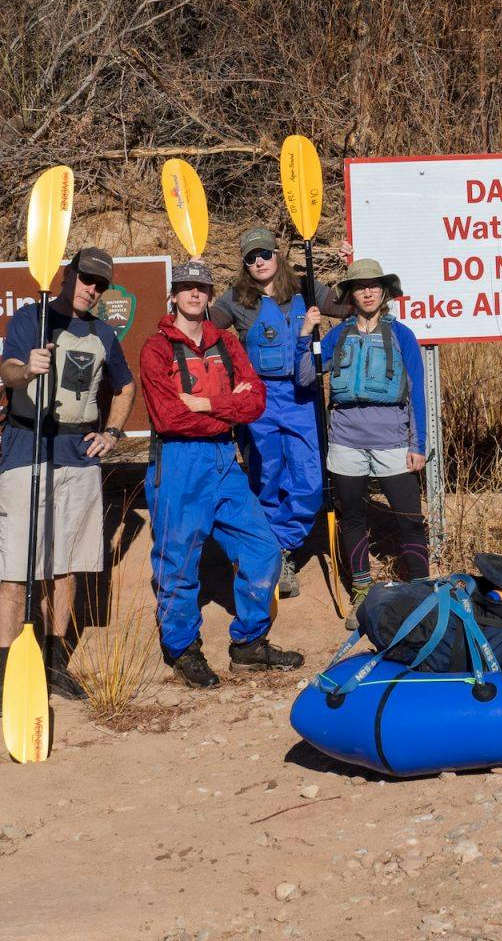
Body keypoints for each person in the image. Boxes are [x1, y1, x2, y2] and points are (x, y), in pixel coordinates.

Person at [0, 247, 136, 720]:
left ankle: (54, 663)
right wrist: (27, 369)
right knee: (16, 569)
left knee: (66, 566)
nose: (94, 289)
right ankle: (8, 676)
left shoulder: (104, 333)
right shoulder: (32, 318)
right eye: (87, 279)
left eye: (101, 284)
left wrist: (111, 432)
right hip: (27, 450)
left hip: (77, 455)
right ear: (69, 277)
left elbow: (125, 385)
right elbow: (6, 371)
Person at [140, 259, 302, 689]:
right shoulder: (156, 349)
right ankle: (182, 649)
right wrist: (228, 408)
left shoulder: (227, 344)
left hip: (224, 461)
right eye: (186, 287)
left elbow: (256, 403)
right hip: (177, 463)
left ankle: (249, 646)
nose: (194, 294)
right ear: (173, 295)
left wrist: (209, 405)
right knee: (178, 560)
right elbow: (169, 417)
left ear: (211, 296)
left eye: (202, 287)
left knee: (263, 547)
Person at [211, 228, 350, 597]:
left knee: (309, 478)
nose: (258, 262)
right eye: (250, 257)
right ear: (244, 264)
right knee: (266, 475)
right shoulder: (237, 298)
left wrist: (351, 265)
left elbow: (350, 306)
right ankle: (274, 555)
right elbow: (204, 327)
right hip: (260, 398)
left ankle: (284, 543)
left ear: (278, 254)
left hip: (304, 395)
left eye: (264, 254)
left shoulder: (308, 288)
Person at [299, 259, 429, 629]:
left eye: (374, 285)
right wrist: (305, 335)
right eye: (360, 286)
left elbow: (416, 392)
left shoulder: (402, 335)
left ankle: (421, 589)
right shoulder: (337, 336)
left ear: (384, 291)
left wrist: (417, 445)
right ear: (351, 295)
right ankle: (361, 591)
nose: (367, 291)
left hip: (393, 443)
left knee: (410, 520)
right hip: (345, 444)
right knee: (352, 518)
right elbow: (306, 375)